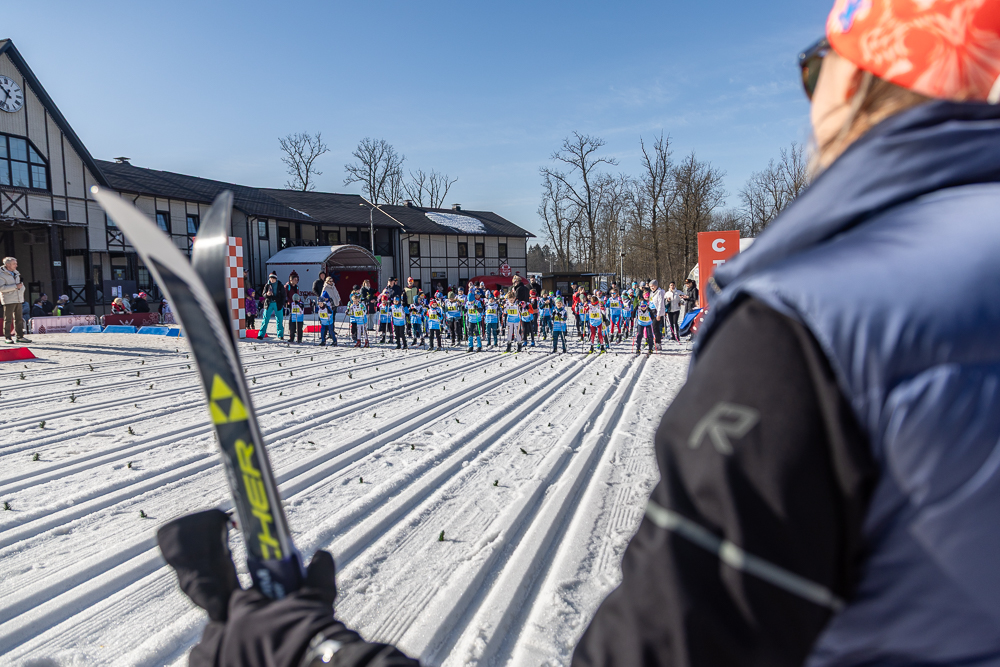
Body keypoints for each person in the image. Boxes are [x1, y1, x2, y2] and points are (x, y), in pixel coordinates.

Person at [157, 2, 1000, 665]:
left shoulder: (818, 323)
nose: (811, 95)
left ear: (860, 82)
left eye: (814, 67)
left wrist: (313, 650)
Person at [0, 257, 27, 344]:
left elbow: (20, 285)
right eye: (14, 264)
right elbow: (1, 288)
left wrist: (22, 290)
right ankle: (8, 337)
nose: (16, 265)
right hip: (8, 299)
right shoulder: (1, 274)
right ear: (8, 265)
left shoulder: (16, 273)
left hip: (18, 299)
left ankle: (20, 336)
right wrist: (16, 287)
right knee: (8, 319)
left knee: (19, 319)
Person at [259, 272, 285, 340]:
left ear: (276, 279)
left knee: (279, 320)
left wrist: (282, 303)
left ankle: (280, 335)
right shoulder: (267, 285)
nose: (271, 280)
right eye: (270, 278)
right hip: (268, 303)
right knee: (265, 319)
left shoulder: (280, 285)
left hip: (278, 304)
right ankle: (261, 334)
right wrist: (267, 294)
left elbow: (283, 295)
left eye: (273, 279)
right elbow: (263, 294)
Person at [648, 279, 666, 350]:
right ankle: (653, 342)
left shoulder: (659, 292)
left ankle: (658, 343)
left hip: (657, 311)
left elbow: (660, 303)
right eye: (650, 286)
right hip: (651, 311)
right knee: (652, 327)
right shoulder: (652, 292)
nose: (652, 287)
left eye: (653, 286)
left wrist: (659, 314)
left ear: (656, 285)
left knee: (655, 327)